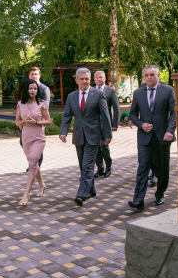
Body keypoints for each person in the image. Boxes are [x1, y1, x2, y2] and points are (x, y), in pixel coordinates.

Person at [59, 68, 112, 207]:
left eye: (87, 79)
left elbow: (105, 115)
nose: (84, 81)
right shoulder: (71, 96)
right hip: (78, 136)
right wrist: (63, 132)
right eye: (81, 79)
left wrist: (108, 135)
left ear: (90, 80)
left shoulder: (98, 94)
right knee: (83, 166)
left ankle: (81, 194)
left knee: (87, 166)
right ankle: (91, 190)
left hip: (94, 136)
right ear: (76, 80)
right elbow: (67, 115)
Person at [128, 65, 176, 211]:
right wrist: (141, 124)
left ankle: (160, 194)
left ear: (158, 76)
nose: (149, 77)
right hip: (144, 137)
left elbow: (174, 113)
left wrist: (170, 131)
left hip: (163, 136)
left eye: (152, 75)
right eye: (147, 75)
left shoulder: (168, 90)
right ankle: (138, 200)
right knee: (143, 167)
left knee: (162, 167)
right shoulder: (138, 93)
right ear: (143, 77)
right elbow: (132, 114)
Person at [15, 80, 51, 206]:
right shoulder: (21, 104)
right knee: (33, 163)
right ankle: (42, 185)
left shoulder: (42, 104)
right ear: (26, 90)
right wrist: (24, 121)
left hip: (38, 138)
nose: (33, 91)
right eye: (30, 88)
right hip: (26, 138)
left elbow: (48, 121)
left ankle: (26, 195)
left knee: (32, 163)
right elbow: (17, 122)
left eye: (35, 89)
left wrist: (35, 122)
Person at [21, 67, 51, 172]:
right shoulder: (26, 87)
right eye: (32, 74)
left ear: (39, 75)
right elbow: (23, 103)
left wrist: (36, 120)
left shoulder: (44, 89)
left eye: (36, 74)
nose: (34, 76)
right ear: (29, 76)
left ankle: (36, 164)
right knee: (23, 142)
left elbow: (45, 105)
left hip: (39, 121)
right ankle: (32, 162)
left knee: (38, 143)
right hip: (26, 123)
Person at [93, 71, 120, 177]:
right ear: (94, 79)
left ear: (105, 78)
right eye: (97, 77)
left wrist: (115, 124)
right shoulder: (91, 90)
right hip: (94, 124)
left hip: (105, 124)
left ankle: (108, 166)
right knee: (96, 146)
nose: (99, 79)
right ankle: (100, 168)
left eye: (101, 77)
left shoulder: (110, 90)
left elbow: (116, 108)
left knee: (104, 145)